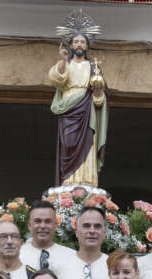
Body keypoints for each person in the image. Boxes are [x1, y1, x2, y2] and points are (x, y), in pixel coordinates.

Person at [47, 31, 107, 187]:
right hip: (69, 110)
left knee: (89, 142)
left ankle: (87, 181)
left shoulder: (94, 67)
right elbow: (56, 80)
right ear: (71, 45)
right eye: (76, 41)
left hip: (88, 110)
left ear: (87, 46)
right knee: (68, 144)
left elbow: (100, 100)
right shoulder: (66, 64)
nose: (79, 44)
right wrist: (62, 59)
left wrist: (98, 92)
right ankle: (68, 181)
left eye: (82, 42)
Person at [53, 206, 109, 279]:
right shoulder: (59, 266)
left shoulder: (114, 266)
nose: (92, 231)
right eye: (86, 226)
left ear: (104, 232)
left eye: (97, 226)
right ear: (76, 232)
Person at [19, 200, 77, 272]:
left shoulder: (71, 256)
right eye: (38, 221)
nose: (43, 226)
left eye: (48, 221)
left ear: (55, 225)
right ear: (29, 226)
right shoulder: (17, 255)